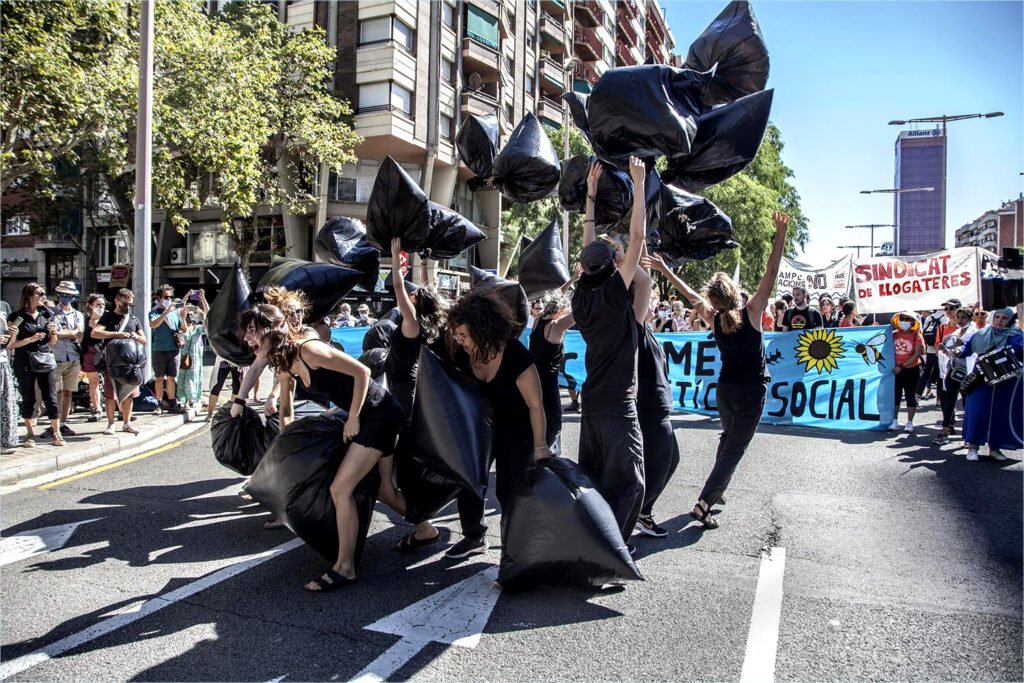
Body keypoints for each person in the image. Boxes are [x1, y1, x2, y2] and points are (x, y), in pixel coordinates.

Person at [241, 303, 406, 592]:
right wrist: (285, 447)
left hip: (380, 414)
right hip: (369, 416)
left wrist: (353, 416)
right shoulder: (284, 360)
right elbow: (286, 407)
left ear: (270, 332)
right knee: (385, 491)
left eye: (252, 332)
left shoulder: (308, 350)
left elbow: (361, 372)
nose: (246, 339)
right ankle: (426, 528)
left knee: (340, 488)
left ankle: (345, 567)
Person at [645, 210, 789, 529]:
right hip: (751, 392)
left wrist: (665, 268)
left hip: (725, 392)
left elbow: (689, 295)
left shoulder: (715, 318)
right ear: (735, 294)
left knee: (727, 441)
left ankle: (716, 491)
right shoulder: (751, 312)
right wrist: (780, 233)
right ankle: (704, 504)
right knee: (733, 450)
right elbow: (772, 270)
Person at [571, 156, 648, 542]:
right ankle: (610, 551)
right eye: (617, 258)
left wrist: (590, 196)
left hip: (593, 403)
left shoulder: (581, 296)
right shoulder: (616, 296)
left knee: (597, 478)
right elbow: (636, 239)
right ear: (613, 268)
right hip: (618, 403)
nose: (623, 256)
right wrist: (638, 185)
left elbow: (589, 250)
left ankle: (589, 541)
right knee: (633, 482)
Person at [448, 289, 550, 550]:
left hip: (516, 430)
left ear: (483, 331)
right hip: (480, 430)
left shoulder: (515, 354)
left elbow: (535, 404)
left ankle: (516, 545)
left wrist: (540, 447)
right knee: (469, 481)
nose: (459, 340)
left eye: (463, 335)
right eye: (456, 334)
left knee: (510, 488)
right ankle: (473, 535)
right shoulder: (460, 353)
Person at [384, 237, 449, 551]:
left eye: (414, 295)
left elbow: (399, 288)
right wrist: (424, 261)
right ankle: (419, 510)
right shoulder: (423, 323)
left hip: (402, 394)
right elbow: (426, 290)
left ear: (415, 303)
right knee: (402, 459)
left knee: (401, 461)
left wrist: (397, 260)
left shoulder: (410, 323)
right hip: (405, 392)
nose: (410, 292)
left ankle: (422, 521)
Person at [632, 283, 680, 538]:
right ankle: (631, 515)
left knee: (670, 460)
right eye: (651, 300)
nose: (655, 304)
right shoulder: (636, 327)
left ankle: (641, 512)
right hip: (649, 407)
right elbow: (643, 282)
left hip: (659, 405)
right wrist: (640, 244)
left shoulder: (648, 329)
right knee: (660, 463)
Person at [961, 307, 1023, 461]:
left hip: (1006, 383)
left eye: (1004, 318)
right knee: (978, 410)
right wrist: (954, 349)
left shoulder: (1017, 336)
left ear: (1010, 320)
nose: (1000, 321)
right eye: (998, 317)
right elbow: (965, 350)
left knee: (999, 413)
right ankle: (972, 446)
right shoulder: (981, 334)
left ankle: (995, 447)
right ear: (993, 318)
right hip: (980, 379)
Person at [8, 283, 64, 446]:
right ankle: (30, 434)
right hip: (24, 359)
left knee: (51, 396)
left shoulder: (47, 315)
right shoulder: (17, 317)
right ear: (29, 296)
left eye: (44, 294)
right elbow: (11, 344)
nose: (43, 297)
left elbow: (52, 342)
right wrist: (30, 339)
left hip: (45, 358)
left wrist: (53, 333)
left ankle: (57, 433)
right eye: (40, 294)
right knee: (28, 396)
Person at [91, 288, 147, 436]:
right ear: (117, 301)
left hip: (129, 364)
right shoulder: (107, 317)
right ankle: (110, 424)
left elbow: (144, 340)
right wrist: (117, 334)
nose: (127, 307)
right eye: (124, 303)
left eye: (130, 304)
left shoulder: (133, 319)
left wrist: (135, 336)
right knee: (110, 394)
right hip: (113, 362)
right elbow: (95, 332)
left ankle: (126, 423)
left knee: (129, 394)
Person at [528, 286, 576, 455]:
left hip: (531, 379)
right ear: (561, 310)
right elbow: (580, 311)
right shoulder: (556, 325)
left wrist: (572, 280)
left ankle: (535, 454)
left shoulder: (537, 320)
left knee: (536, 418)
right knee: (553, 421)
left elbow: (554, 296)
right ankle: (547, 459)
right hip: (547, 383)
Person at [934, 306, 975, 446]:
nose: (960, 320)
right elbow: (952, 352)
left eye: (964, 317)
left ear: (970, 318)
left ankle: (968, 436)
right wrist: (944, 350)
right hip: (953, 369)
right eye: (959, 317)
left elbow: (970, 350)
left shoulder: (973, 332)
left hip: (967, 371)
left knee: (966, 403)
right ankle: (945, 431)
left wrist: (959, 347)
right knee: (948, 400)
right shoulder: (957, 332)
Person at [51, 281, 84, 436]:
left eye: (70, 295)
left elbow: (80, 334)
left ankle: (63, 422)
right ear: (59, 295)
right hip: (56, 357)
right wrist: (70, 333)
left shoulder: (78, 314)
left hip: (73, 357)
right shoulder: (51, 313)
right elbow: (54, 334)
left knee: (68, 391)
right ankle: (54, 423)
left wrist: (63, 333)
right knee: (55, 391)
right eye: (64, 295)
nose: (67, 298)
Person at [148, 284, 185, 415]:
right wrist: (166, 312)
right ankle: (158, 403)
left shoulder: (175, 313)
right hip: (159, 350)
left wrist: (182, 317)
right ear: (158, 298)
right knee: (159, 378)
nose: (169, 299)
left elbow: (184, 329)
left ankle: (172, 403)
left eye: (171, 297)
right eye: (166, 297)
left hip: (173, 350)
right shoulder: (154, 313)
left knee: (171, 377)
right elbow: (153, 324)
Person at [889, 311, 925, 434]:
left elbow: (916, 354)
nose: (904, 321)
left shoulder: (917, 336)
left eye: (907, 319)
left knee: (910, 395)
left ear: (912, 322)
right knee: (895, 395)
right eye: (902, 318)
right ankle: (894, 420)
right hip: (895, 370)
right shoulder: (893, 335)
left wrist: (902, 366)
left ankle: (909, 422)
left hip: (911, 369)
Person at [176, 292, 209, 410]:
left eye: (191, 314)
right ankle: (183, 401)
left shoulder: (197, 329)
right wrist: (182, 316)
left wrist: (203, 300)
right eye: (188, 314)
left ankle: (190, 400)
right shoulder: (181, 327)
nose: (189, 316)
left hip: (194, 360)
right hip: (183, 358)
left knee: (193, 378)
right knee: (182, 379)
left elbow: (208, 320)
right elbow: (185, 330)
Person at [81, 294, 106, 421]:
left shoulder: (107, 320)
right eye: (98, 305)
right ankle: (97, 408)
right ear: (91, 306)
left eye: (102, 305)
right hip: (90, 354)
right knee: (93, 382)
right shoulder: (84, 322)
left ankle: (120, 408)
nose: (101, 307)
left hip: (106, 354)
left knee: (111, 381)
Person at [917, 304, 950, 401]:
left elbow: (923, 332)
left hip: (930, 349)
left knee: (926, 372)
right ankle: (939, 398)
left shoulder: (930, 317)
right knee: (941, 374)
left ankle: (917, 395)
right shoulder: (946, 318)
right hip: (941, 350)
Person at [0, 311, 19, 453]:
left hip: (3, 362)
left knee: (6, 403)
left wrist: (13, 334)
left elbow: (9, 345)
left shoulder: (3, 310)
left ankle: (5, 442)